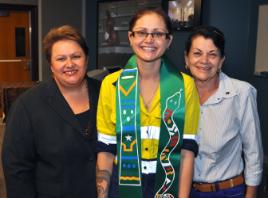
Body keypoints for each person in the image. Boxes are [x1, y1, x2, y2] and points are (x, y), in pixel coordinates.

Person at [96, 7, 200, 198]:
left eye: (158, 34)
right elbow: (106, 150)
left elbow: (186, 152)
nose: (149, 40)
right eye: (142, 32)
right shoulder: (111, 85)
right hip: (123, 184)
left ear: (169, 40)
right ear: (130, 37)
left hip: (167, 183)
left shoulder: (185, 86)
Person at [2, 25, 100, 198]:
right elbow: (17, 168)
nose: (70, 64)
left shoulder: (107, 94)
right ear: (51, 65)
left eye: (76, 56)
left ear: (87, 59)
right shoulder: (27, 105)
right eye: (61, 58)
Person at [184, 26, 263, 198]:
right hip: (184, 191)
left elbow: (253, 153)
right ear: (186, 59)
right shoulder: (175, 95)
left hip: (229, 192)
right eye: (197, 53)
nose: (204, 60)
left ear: (221, 61)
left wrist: (251, 195)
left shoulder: (241, 93)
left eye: (212, 54)